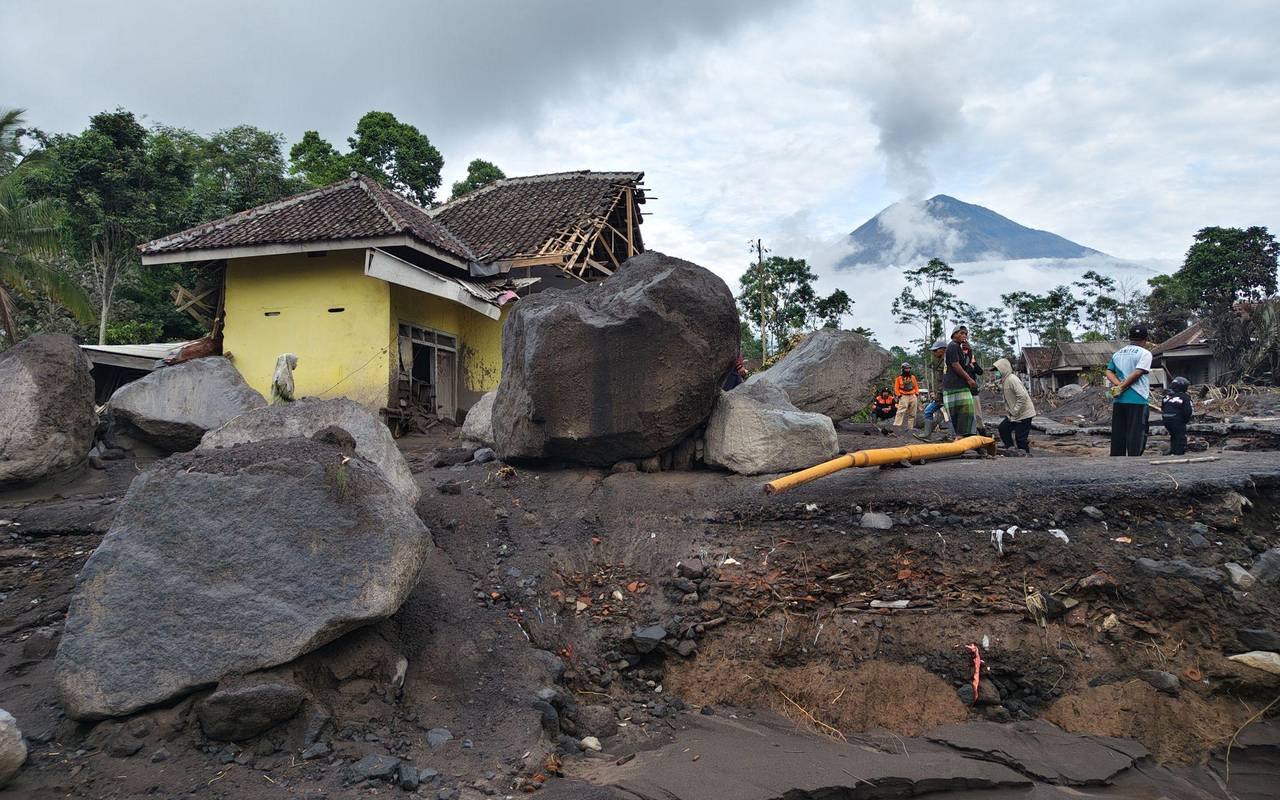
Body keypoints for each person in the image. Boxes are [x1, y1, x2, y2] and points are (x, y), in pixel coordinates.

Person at [1105, 325, 1154, 456]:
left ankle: (1116, 458)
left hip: (1119, 399)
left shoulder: (1118, 353)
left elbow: (1109, 371)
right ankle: (1134, 461)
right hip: (1138, 399)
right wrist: (1122, 386)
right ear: (1145, 339)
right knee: (1136, 432)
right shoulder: (1145, 353)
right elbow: (1138, 373)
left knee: (1118, 432)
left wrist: (1118, 385)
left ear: (1129, 338)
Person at [992, 357, 1035, 456]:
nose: (996, 373)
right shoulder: (1005, 380)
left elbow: (1022, 396)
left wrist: (1014, 411)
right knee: (1003, 428)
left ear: (1003, 369)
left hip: (1024, 414)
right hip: (1015, 415)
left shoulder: (1012, 379)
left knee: (1020, 438)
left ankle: (1026, 457)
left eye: (997, 370)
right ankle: (1011, 449)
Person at [942, 327, 978, 436]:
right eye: (962, 333)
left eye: (966, 334)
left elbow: (966, 364)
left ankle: (963, 436)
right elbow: (956, 365)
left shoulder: (958, 348)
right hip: (955, 386)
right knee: (963, 412)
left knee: (963, 413)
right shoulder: (953, 346)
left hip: (956, 385)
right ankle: (962, 436)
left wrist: (970, 351)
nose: (965, 335)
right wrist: (969, 379)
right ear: (954, 334)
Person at [1160, 376, 1193, 455]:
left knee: (1173, 435)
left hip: (1166, 420)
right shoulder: (1185, 397)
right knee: (1180, 436)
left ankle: (1173, 450)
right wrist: (1185, 420)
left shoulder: (1166, 397)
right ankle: (1179, 453)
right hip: (1177, 420)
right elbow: (1188, 411)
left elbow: (1163, 407)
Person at [893, 363, 921, 430]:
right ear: (903, 369)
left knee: (913, 412)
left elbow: (916, 386)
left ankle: (910, 428)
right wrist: (899, 395)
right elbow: (896, 388)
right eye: (906, 368)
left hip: (912, 395)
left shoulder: (913, 377)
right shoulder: (899, 378)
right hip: (903, 395)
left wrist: (916, 393)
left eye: (908, 368)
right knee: (901, 410)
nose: (907, 370)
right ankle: (896, 426)